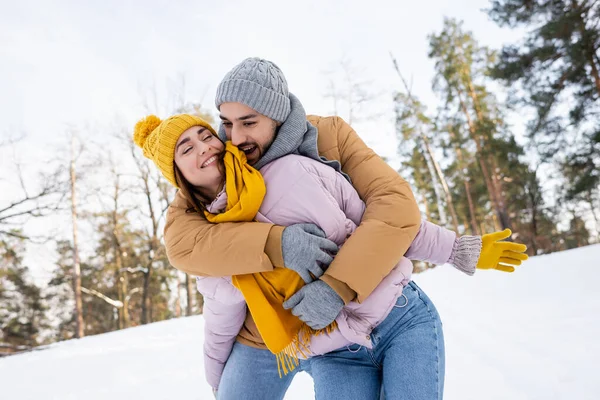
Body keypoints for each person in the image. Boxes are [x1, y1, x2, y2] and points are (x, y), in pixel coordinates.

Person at [148, 57, 527, 399]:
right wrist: (278, 243)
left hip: (390, 312)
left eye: (249, 123)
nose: (236, 137)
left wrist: (455, 249)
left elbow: (391, 211)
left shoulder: (320, 147)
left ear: (277, 118)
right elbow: (185, 249)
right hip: (311, 341)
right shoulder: (218, 180)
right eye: (227, 124)